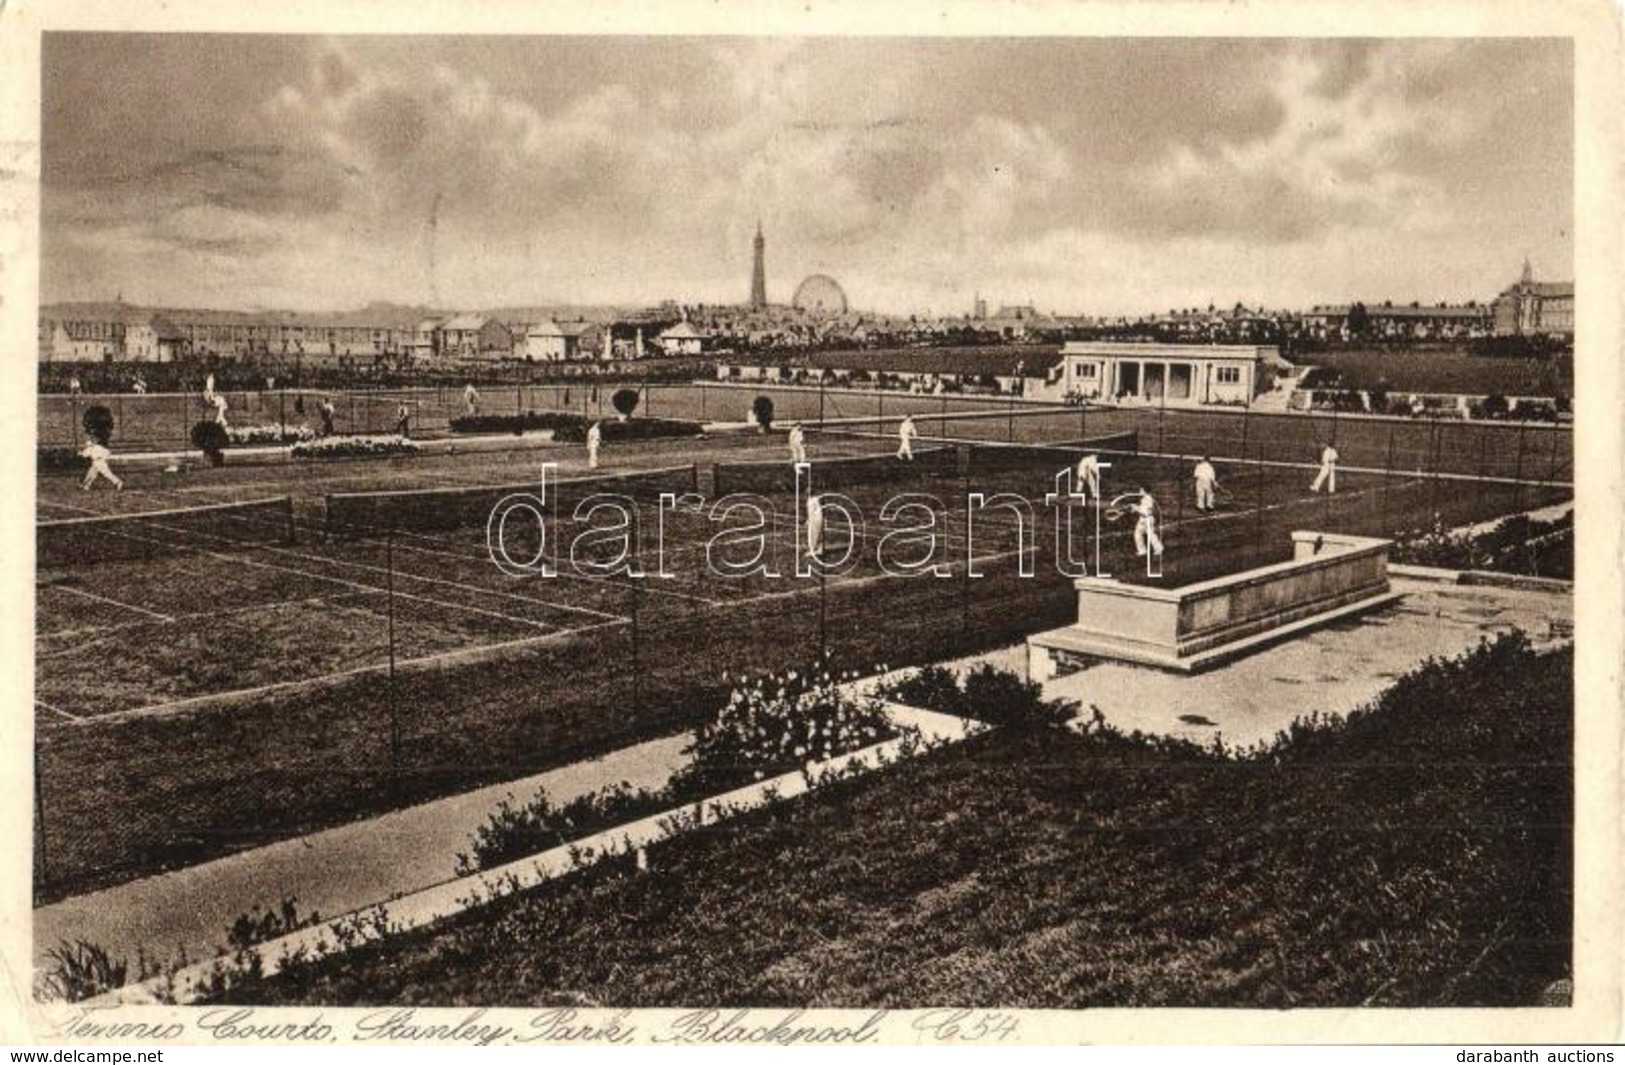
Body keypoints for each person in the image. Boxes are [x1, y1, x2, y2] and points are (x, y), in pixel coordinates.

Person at [1131, 489, 1163, 560]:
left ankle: (1156, 549)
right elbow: (1142, 509)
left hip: (1147, 519)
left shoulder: (1148, 499)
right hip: (1143, 519)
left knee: (1148, 534)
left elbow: (1146, 512)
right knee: (1139, 534)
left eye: (1141, 490)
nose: (1139, 492)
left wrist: (1136, 509)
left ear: (1145, 491)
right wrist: (1136, 507)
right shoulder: (1144, 499)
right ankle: (1144, 550)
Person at [806, 493, 825, 558]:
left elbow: (818, 511)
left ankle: (814, 550)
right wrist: (808, 520)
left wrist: (814, 520)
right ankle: (819, 549)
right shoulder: (810, 499)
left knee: (814, 535)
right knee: (817, 534)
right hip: (814, 519)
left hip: (816, 519)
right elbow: (810, 511)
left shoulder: (815, 499)